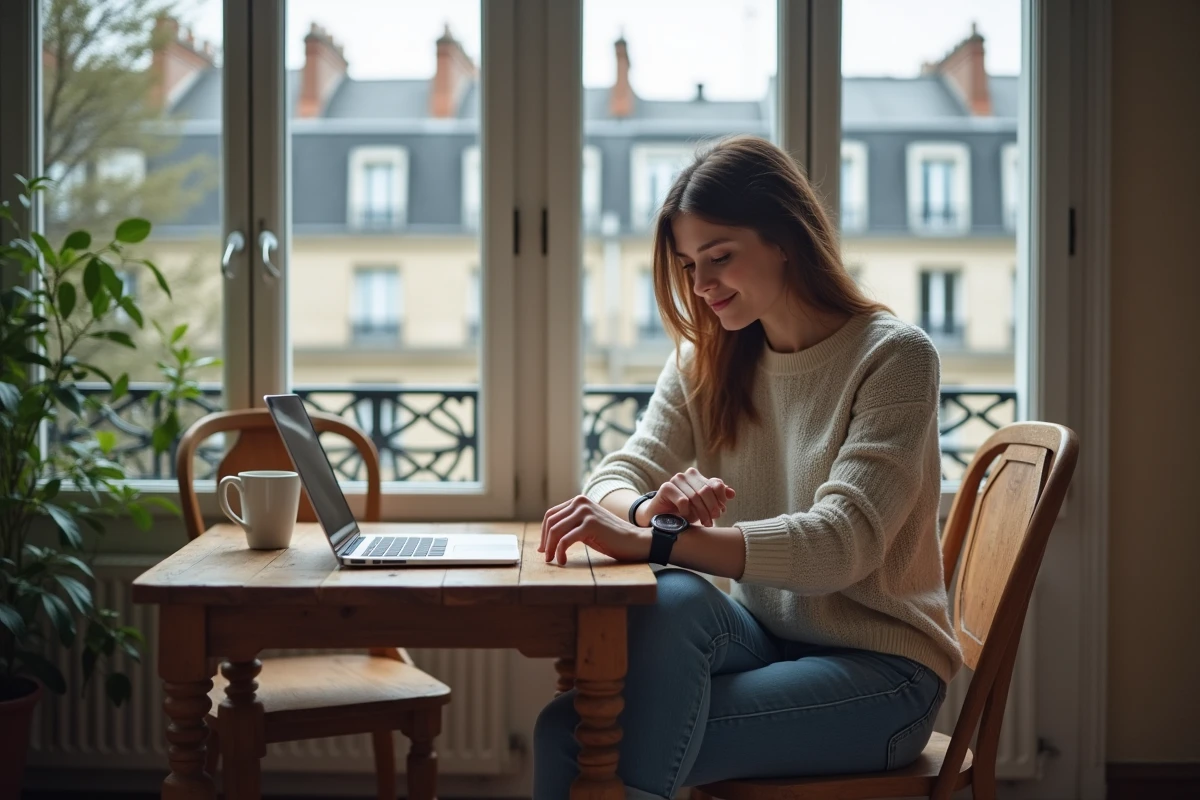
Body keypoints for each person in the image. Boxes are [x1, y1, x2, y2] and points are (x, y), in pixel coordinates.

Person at [534, 135, 963, 799]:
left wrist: (662, 541)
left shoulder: (894, 357)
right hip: (771, 639)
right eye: (687, 265)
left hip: (884, 677)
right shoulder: (707, 360)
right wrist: (654, 510)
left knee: (576, 735)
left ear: (785, 238)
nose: (701, 286)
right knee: (671, 599)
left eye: (720, 257)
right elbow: (613, 475)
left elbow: (839, 545)